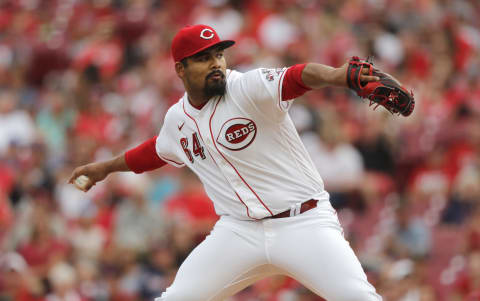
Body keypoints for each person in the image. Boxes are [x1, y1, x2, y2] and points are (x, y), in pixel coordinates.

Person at [69, 24, 383, 301]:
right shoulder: (177, 119)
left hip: (302, 221)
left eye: (219, 54)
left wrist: (336, 75)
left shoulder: (246, 87)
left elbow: (296, 76)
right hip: (238, 232)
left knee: (357, 297)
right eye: (204, 58)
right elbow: (155, 151)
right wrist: (104, 168)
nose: (216, 63)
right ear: (181, 69)